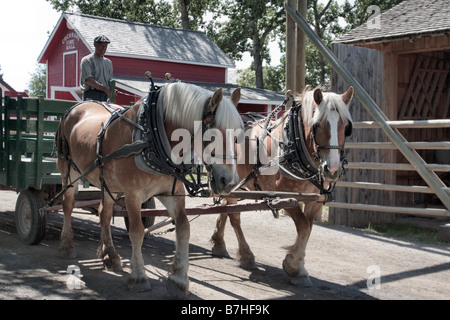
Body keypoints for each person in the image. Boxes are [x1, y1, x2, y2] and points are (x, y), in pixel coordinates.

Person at [80, 35, 113, 101]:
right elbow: (88, 80)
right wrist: (105, 89)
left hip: (105, 96)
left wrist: (112, 89)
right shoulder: (87, 60)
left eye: (105, 46)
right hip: (91, 94)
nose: (103, 49)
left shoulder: (108, 63)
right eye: (101, 46)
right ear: (95, 45)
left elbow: (109, 81)